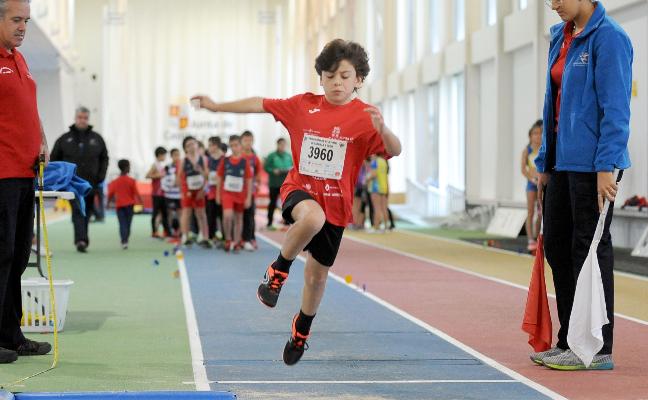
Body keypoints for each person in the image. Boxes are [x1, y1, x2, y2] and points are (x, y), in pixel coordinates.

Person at [192, 38, 401, 365]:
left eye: (345, 76)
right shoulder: (303, 105)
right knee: (311, 218)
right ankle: (278, 270)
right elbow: (259, 103)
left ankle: (301, 330)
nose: (336, 83)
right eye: (330, 76)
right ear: (320, 77)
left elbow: (395, 149)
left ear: (358, 79)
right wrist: (216, 107)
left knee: (317, 278)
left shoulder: (366, 116)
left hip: (338, 205)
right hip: (300, 191)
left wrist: (383, 129)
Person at [533, 0, 633, 370]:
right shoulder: (559, 35)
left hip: (595, 165)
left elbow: (617, 108)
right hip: (560, 161)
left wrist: (607, 164)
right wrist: (545, 160)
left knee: (588, 251)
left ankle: (597, 348)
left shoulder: (610, 39)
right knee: (557, 247)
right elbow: (551, 104)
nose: (554, 4)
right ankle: (568, 341)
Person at [0, 0, 52, 364]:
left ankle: (10, 334)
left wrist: (41, 139)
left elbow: (26, 111)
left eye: (27, 21)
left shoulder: (19, 59)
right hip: (1, 176)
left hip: (24, 175)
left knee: (17, 258)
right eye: (16, 19)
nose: (23, 27)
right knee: (0, 257)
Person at [50, 106, 109, 253]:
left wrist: (100, 177)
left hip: (91, 184)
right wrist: (60, 179)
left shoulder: (97, 139)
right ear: (75, 118)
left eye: (85, 118)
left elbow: (104, 158)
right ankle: (81, 240)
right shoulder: (64, 139)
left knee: (87, 212)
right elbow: (54, 160)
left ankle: (83, 237)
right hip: (71, 184)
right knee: (77, 210)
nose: (82, 120)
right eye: (80, 117)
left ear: (88, 119)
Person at [216, 135, 253, 252]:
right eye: (231, 146)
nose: (234, 148)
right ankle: (228, 239)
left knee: (238, 218)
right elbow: (219, 178)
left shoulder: (244, 162)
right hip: (227, 194)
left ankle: (237, 242)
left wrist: (248, 198)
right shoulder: (225, 160)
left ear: (240, 146)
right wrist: (218, 194)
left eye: (236, 145)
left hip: (241, 195)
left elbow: (249, 181)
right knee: (227, 216)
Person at [177, 136, 211, 248]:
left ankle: (204, 236)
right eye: (189, 145)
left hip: (200, 189)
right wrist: (183, 191)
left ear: (197, 145)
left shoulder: (204, 159)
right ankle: (185, 236)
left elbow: (207, 176)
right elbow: (179, 177)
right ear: (185, 149)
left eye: (193, 143)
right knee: (186, 213)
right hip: (188, 190)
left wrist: (203, 188)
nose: (192, 146)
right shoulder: (183, 160)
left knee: (201, 213)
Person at [107, 159, 142, 249]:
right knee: (128, 224)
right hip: (130, 206)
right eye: (129, 166)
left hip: (119, 206)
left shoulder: (115, 181)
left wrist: (108, 203)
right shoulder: (131, 181)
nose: (130, 168)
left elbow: (110, 193)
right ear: (126, 167)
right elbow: (136, 193)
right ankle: (126, 239)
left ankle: (124, 240)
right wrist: (141, 202)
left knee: (122, 223)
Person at [521, 120, 543, 251]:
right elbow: (523, 169)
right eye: (535, 133)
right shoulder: (527, 150)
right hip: (531, 184)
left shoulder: (543, 149)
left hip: (541, 182)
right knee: (531, 212)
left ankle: (537, 237)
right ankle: (530, 239)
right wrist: (532, 179)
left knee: (541, 213)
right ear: (530, 136)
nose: (537, 136)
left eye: (540, 133)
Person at [264, 138, 293, 230]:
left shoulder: (288, 156)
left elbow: (293, 168)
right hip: (274, 183)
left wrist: (289, 169)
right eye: (280, 144)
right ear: (277, 145)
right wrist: (273, 170)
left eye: (284, 145)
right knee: (272, 203)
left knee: (286, 204)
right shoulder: (271, 156)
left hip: (286, 184)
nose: (282, 146)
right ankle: (269, 222)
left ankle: (286, 222)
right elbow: (266, 167)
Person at [241, 130, 262, 250]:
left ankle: (250, 238)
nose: (248, 143)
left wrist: (256, 184)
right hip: (238, 192)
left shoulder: (255, 158)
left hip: (251, 192)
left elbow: (258, 175)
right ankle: (240, 238)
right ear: (241, 142)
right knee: (239, 216)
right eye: (245, 140)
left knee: (250, 215)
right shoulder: (238, 157)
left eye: (250, 140)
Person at [146, 146, 170, 238]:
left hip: (163, 193)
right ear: (160, 155)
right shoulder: (155, 165)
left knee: (164, 213)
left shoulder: (161, 165)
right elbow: (147, 175)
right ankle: (154, 231)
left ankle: (167, 231)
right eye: (164, 155)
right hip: (156, 193)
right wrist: (159, 175)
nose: (165, 157)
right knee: (155, 213)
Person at [206, 136, 225, 244]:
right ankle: (211, 237)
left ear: (215, 145)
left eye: (210, 145)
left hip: (222, 192)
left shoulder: (224, 159)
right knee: (211, 215)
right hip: (211, 192)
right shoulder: (208, 159)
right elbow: (206, 174)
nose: (208, 148)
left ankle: (225, 237)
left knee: (222, 215)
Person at [161, 148, 182, 240]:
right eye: (175, 155)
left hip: (180, 195)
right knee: (169, 214)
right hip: (169, 195)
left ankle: (181, 233)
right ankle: (169, 233)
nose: (177, 157)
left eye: (178, 155)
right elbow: (163, 180)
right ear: (171, 156)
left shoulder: (182, 166)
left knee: (180, 214)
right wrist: (169, 186)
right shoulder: (167, 167)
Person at [366, 155, 389, 233]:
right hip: (384, 186)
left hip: (375, 187)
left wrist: (366, 179)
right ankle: (386, 227)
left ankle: (376, 227)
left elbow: (373, 174)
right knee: (384, 208)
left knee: (377, 208)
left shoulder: (375, 162)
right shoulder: (384, 161)